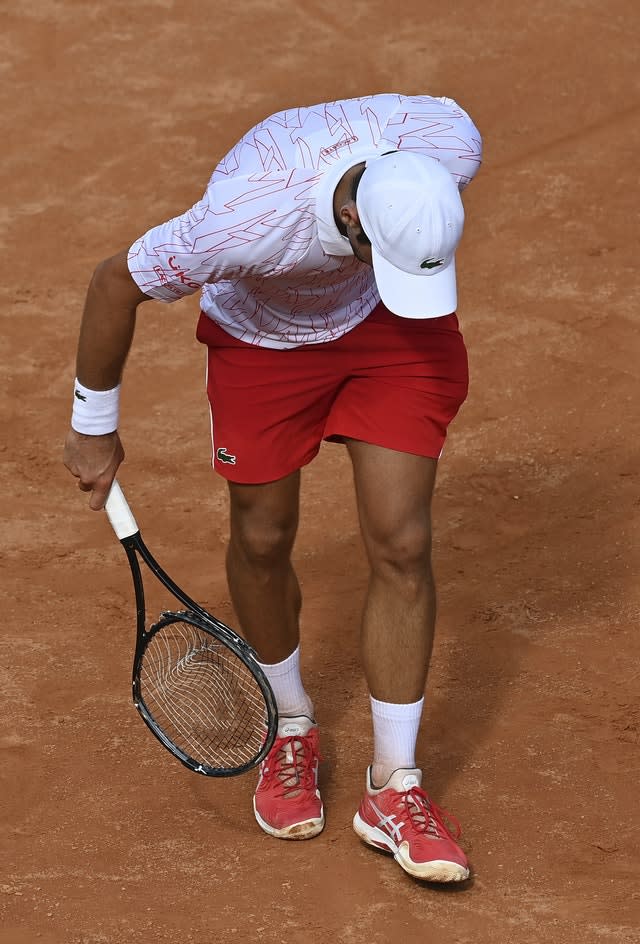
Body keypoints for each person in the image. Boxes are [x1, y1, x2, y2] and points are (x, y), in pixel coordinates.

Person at [63, 93, 482, 883]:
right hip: (264, 343)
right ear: (353, 217)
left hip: (390, 335)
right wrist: (93, 423)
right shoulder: (243, 219)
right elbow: (113, 282)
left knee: (403, 541)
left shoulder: (446, 143)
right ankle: (290, 724)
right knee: (262, 535)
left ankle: (393, 787)